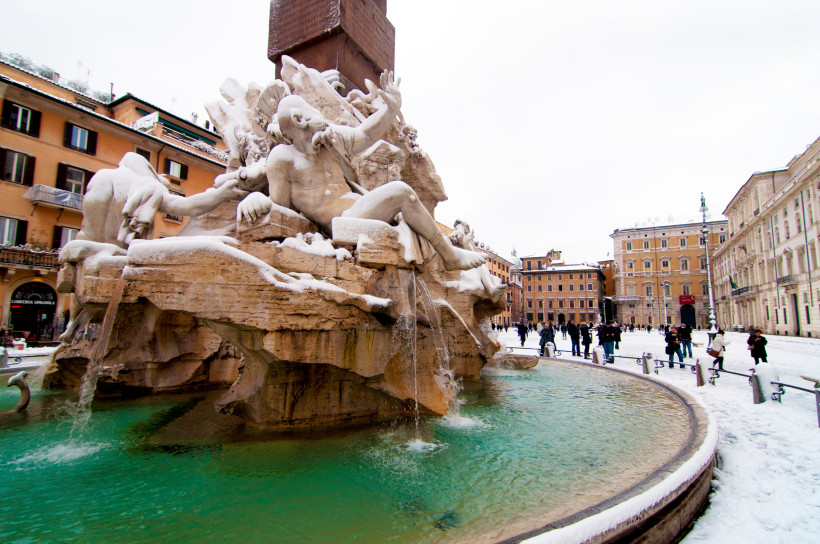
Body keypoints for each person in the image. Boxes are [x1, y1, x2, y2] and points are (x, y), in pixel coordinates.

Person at [236, 73, 485, 272]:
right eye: (312, 110)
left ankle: (448, 252)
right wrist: (255, 198)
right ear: (300, 119)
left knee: (405, 203)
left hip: (359, 209)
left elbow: (364, 134)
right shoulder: (282, 158)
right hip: (341, 223)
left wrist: (391, 109)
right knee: (402, 192)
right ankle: (449, 256)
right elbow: (282, 209)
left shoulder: (330, 139)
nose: (319, 113)